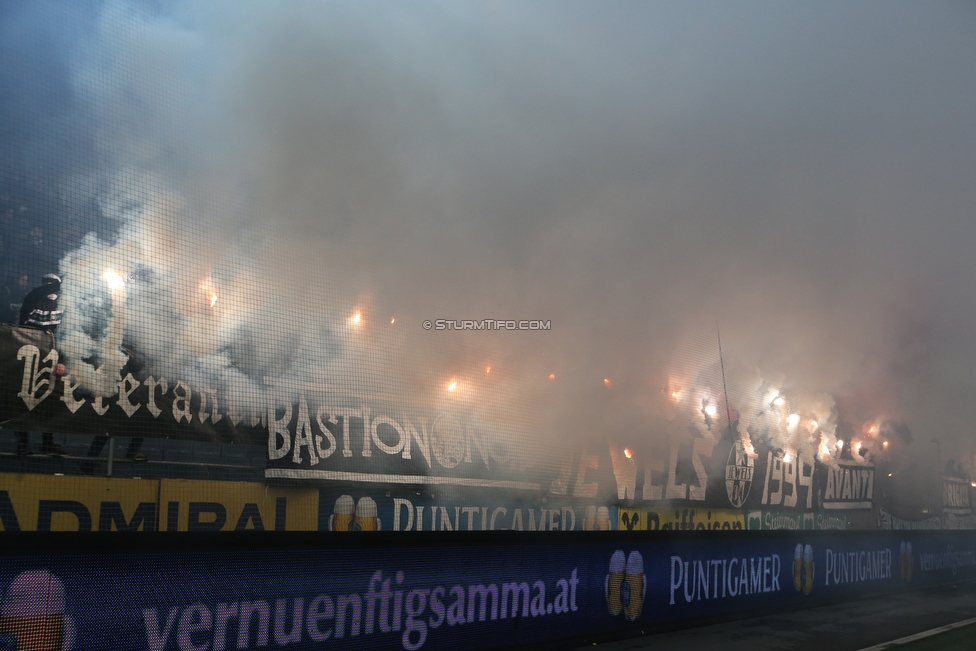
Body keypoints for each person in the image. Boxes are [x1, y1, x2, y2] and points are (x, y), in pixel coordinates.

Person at [15, 273, 65, 456]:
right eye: (47, 285)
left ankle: (48, 443)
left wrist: (62, 361)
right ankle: (23, 444)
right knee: (24, 402)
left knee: (50, 403)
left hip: (52, 361)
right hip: (29, 359)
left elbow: (65, 336)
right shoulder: (32, 298)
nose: (50, 288)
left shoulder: (64, 304)